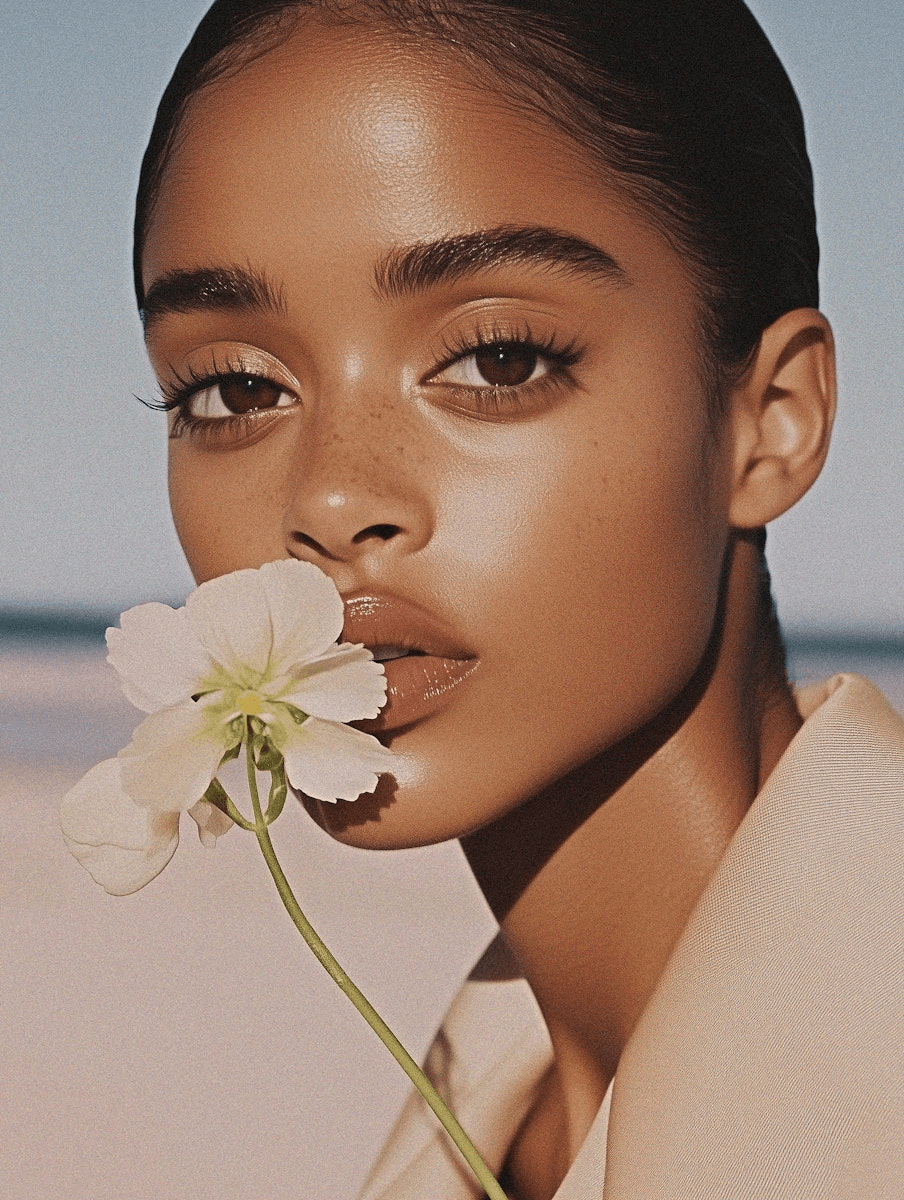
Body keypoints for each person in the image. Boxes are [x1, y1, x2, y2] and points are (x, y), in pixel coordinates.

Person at [133, 1, 904, 1195]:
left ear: (770, 422)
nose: (332, 498)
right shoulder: (503, 1107)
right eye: (234, 390)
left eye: (499, 359)